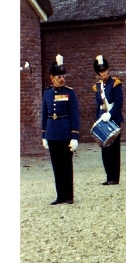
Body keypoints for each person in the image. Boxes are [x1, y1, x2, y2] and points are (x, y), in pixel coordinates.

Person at [42, 54, 80, 204]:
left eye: (62, 75)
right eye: (58, 76)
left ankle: (69, 196)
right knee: (56, 166)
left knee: (66, 165)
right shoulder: (47, 93)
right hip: (52, 133)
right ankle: (60, 195)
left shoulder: (70, 92)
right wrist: (44, 135)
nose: (61, 78)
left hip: (65, 133)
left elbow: (75, 115)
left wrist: (75, 137)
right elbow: (45, 114)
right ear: (51, 77)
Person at [92, 54, 124, 185]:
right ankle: (108, 176)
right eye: (101, 71)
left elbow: (118, 103)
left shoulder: (115, 83)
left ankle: (114, 177)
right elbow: (98, 106)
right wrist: (97, 122)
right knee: (104, 149)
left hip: (113, 118)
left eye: (105, 70)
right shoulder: (97, 87)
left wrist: (110, 114)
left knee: (114, 149)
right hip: (102, 119)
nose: (103, 73)